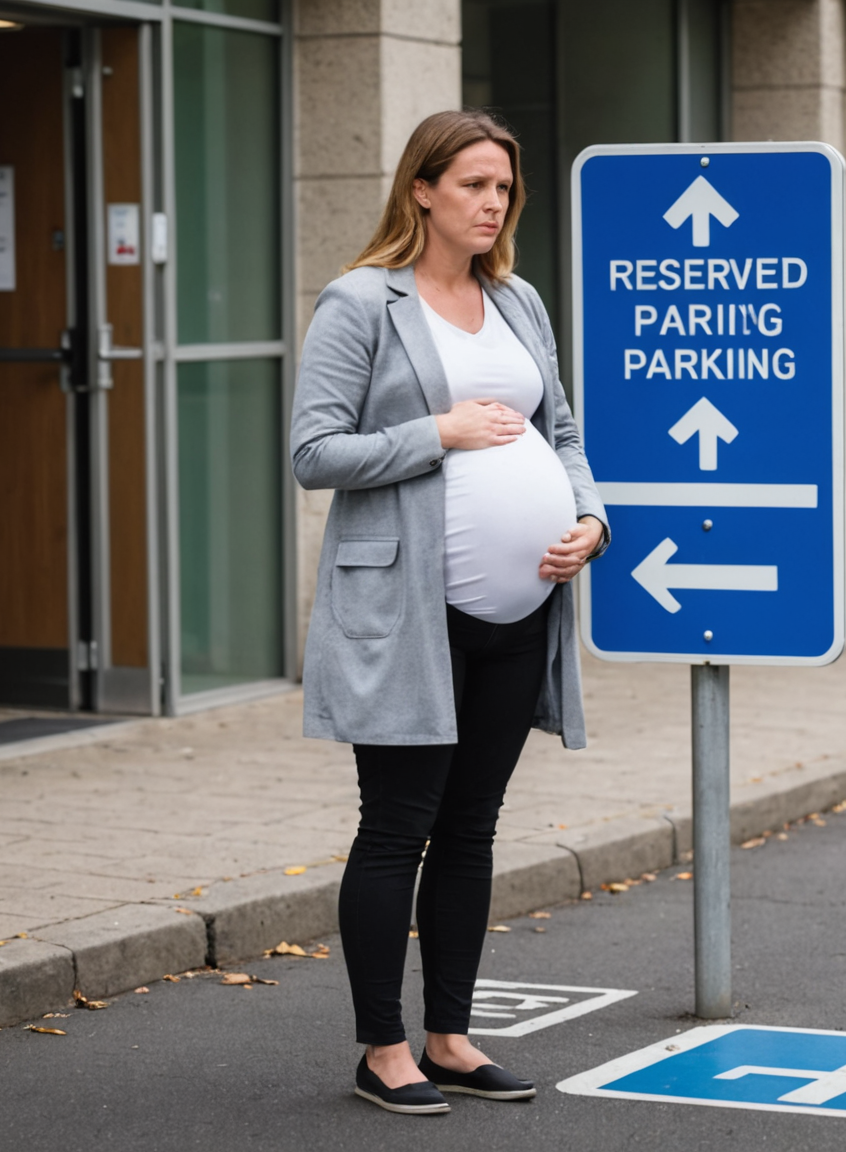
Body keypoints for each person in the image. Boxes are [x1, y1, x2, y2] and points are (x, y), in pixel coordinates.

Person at [290, 109, 608, 1116]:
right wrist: (441, 430)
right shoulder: (360, 303)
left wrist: (591, 519)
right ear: (421, 188)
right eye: (473, 184)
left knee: (472, 828)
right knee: (397, 828)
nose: (492, 203)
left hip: (522, 610)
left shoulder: (517, 300)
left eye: (504, 189)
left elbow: (562, 431)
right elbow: (313, 454)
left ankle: (452, 1037)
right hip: (407, 613)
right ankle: (383, 1049)